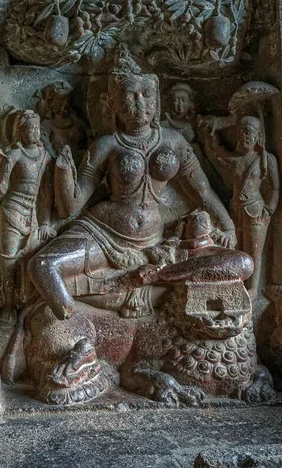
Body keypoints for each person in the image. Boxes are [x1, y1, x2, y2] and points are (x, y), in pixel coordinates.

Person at [28, 52, 251, 324]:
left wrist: (227, 226)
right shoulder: (107, 145)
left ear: (156, 100)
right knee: (42, 265)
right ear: (114, 104)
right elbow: (70, 207)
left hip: (157, 243)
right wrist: (63, 171)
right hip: (103, 233)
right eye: (129, 96)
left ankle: (144, 279)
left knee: (242, 263)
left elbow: (201, 191)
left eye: (146, 94)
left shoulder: (174, 141)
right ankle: (71, 319)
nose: (139, 103)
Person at [202, 115, 279, 295]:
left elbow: (274, 187)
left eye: (248, 133)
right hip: (236, 208)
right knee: (236, 248)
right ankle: (236, 281)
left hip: (255, 210)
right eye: (241, 132)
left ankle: (252, 288)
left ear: (258, 137)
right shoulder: (237, 159)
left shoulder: (266, 160)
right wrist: (212, 133)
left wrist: (269, 208)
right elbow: (217, 151)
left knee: (253, 251)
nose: (243, 137)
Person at [0, 110, 55, 323]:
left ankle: (25, 303)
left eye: (38, 128)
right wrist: (6, 164)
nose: (35, 132)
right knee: (8, 261)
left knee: (30, 258)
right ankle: (7, 305)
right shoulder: (15, 155)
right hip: (11, 211)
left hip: (32, 215)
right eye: (30, 128)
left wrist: (45, 222)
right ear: (20, 131)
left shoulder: (45, 157)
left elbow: (46, 194)